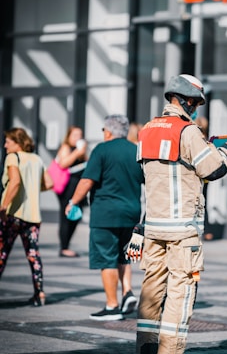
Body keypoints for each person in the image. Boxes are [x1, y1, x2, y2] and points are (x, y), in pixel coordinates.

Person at [135, 74, 227, 354]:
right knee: (181, 287)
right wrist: (225, 151)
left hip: (154, 224)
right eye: (196, 103)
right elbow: (214, 170)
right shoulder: (188, 131)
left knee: (152, 286)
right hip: (182, 227)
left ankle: (146, 350)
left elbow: (145, 174)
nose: (196, 108)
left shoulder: (146, 129)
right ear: (187, 100)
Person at [65, 115, 144, 321]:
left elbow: (87, 181)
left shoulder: (101, 150)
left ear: (108, 131)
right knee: (123, 255)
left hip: (106, 214)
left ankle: (112, 306)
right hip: (132, 213)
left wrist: (73, 202)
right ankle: (127, 293)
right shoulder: (137, 150)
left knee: (107, 258)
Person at [0, 128, 53, 306]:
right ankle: (40, 293)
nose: (5, 145)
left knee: (2, 252)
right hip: (33, 216)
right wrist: (31, 189)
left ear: (18, 142)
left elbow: (14, 182)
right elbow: (49, 183)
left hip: (13, 214)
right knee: (33, 254)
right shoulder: (37, 159)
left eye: (8, 141)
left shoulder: (13, 158)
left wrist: (3, 206)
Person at [56, 126, 88, 258]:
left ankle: (66, 245)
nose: (77, 138)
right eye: (74, 135)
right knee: (66, 216)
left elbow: (87, 163)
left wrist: (83, 152)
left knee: (77, 215)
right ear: (68, 136)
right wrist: (77, 153)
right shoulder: (66, 147)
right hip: (67, 186)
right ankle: (64, 247)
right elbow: (63, 164)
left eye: (79, 135)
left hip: (78, 185)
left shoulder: (81, 149)